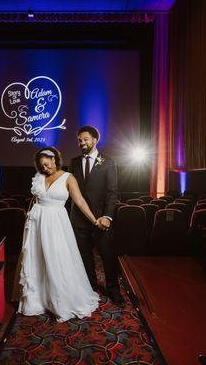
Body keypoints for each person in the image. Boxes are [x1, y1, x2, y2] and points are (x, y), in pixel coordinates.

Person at [15, 147, 100, 323]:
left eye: (47, 164)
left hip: (56, 223)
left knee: (57, 258)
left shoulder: (68, 178)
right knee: (37, 258)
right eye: (41, 166)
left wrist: (94, 220)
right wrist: (29, 217)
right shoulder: (39, 177)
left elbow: (80, 201)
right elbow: (35, 199)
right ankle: (37, 299)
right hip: (37, 222)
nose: (45, 169)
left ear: (55, 160)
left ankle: (60, 300)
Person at [69, 125, 124, 305]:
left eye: (85, 139)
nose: (81, 143)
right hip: (79, 220)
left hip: (101, 220)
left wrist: (107, 217)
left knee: (108, 256)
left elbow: (112, 192)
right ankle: (90, 287)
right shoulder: (74, 162)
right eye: (79, 140)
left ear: (95, 140)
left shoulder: (108, 161)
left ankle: (113, 289)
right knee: (84, 257)